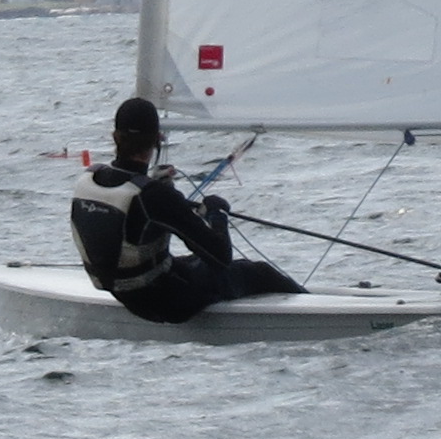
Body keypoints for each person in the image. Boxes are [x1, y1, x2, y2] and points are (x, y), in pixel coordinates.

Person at [70, 96, 303, 322]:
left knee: (192, 262)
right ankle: (312, 313)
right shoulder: (154, 196)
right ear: (157, 140)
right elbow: (220, 257)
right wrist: (217, 214)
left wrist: (161, 188)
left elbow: (132, 217)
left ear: (115, 137)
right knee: (257, 272)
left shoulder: (90, 178)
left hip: (121, 292)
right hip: (167, 303)